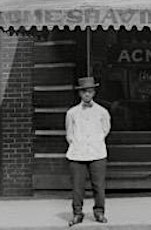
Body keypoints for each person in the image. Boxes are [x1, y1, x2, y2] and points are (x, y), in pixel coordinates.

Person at [65, 77, 111, 226]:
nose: (87, 94)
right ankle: (77, 213)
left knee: (98, 185)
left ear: (94, 93)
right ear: (80, 94)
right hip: (77, 153)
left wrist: (96, 141)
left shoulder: (102, 112)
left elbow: (105, 129)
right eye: (84, 92)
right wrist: (77, 143)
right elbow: (69, 133)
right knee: (78, 187)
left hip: (97, 153)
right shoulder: (72, 113)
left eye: (90, 91)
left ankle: (99, 212)